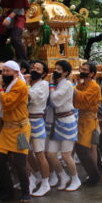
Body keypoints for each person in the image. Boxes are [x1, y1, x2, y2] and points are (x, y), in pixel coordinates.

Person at [0, 61, 32, 202]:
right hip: (7, 128)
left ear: (16, 73)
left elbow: (8, 103)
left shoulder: (20, 85)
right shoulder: (7, 84)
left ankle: (26, 192)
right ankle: (8, 191)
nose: (4, 74)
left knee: (20, 162)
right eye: (3, 71)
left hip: (21, 129)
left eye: (7, 71)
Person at [45, 60, 81, 191]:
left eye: (59, 69)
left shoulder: (66, 85)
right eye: (56, 69)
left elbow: (55, 100)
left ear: (66, 73)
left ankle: (75, 179)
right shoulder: (58, 83)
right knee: (50, 153)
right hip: (57, 121)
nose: (56, 71)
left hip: (67, 120)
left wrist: (50, 85)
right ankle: (62, 175)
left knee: (66, 155)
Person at [74, 61, 102, 185]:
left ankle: (94, 175)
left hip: (90, 121)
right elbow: (76, 100)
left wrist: (71, 89)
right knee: (85, 148)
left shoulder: (94, 86)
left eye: (85, 70)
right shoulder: (82, 84)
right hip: (81, 119)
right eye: (81, 69)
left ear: (91, 73)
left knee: (84, 148)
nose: (82, 71)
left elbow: (84, 98)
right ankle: (93, 174)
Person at [27, 60, 52, 196]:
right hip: (24, 121)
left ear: (44, 73)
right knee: (24, 152)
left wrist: (23, 85)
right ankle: (33, 177)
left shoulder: (43, 84)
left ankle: (45, 182)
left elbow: (33, 97)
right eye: (33, 67)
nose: (34, 70)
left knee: (39, 154)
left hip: (36, 120)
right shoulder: (29, 82)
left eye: (38, 69)